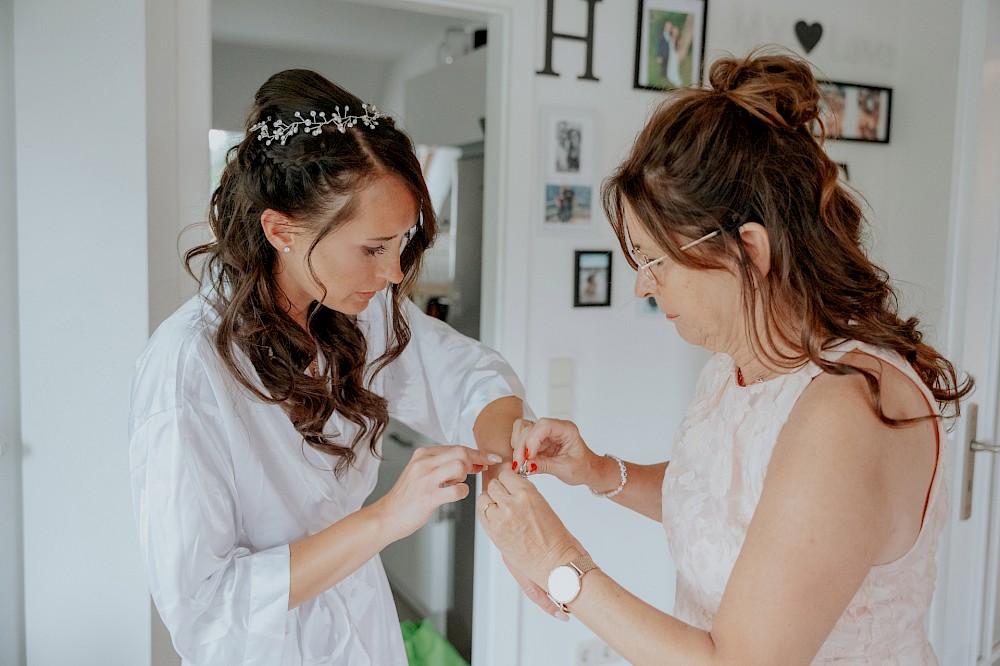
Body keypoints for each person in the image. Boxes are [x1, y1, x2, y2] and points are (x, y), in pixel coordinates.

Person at [477, 50, 972, 665]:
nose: (642, 284)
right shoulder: (737, 367)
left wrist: (558, 564)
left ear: (749, 249)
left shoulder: (846, 413)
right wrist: (601, 472)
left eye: (655, 260)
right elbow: (728, 510)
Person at [128, 69, 527, 665]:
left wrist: (513, 455)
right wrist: (388, 516)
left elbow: (466, 375)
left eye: (400, 244)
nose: (394, 273)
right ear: (281, 229)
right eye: (373, 248)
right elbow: (206, 606)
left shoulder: (356, 311)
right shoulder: (187, 370)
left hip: (365, 629)